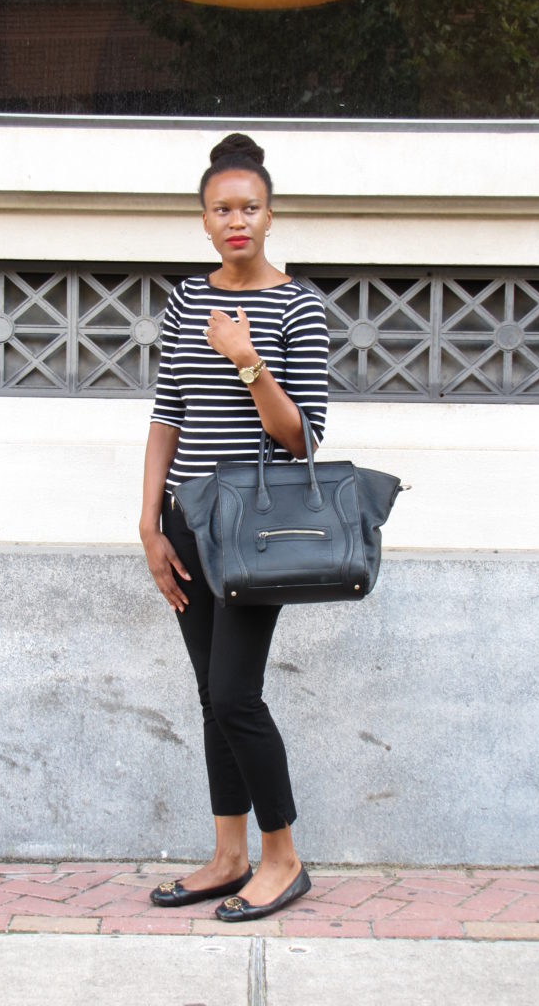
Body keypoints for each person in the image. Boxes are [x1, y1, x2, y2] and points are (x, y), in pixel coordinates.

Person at [139, 133, 329, 922]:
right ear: (205, 220)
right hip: (187, 526)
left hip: (252, 534)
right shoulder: (188, 299)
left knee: (236, 695)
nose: (236, 220)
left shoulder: (299, 306)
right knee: (210, 699)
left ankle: (282, 858)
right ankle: (228, 854)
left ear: (271, 215)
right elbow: (166, 413)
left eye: (249, 207)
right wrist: (148, 521)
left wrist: (249, 359)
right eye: (222, 209)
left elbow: (304, 438)